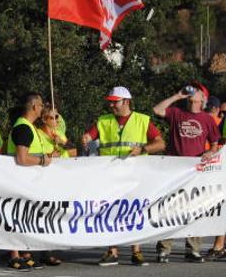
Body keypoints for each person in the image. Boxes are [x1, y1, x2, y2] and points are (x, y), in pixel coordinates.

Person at [81, 87, 165, 266]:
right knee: (110, 211)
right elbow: (90, 135)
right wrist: (87, 138)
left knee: (136, 210)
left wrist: (143, 149)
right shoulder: (103, 121)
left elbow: (160, 143)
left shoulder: (142, 120)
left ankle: (137, 251)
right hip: (110, 175)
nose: (111, 104)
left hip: (135, 175)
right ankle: (112, 251)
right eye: (110, 101)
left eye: (115, 101)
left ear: (126, 102)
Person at [153, 84, 220, 263]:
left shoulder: (207, 119)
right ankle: (164, 249)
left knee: (194, 209)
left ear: (202, 99)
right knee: (170, 209)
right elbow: (157, 110)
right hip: (174, 170)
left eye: (196, 92)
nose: (192, 93)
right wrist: (177, 95)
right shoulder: (177, 113)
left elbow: (215, 144)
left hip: (195, 172)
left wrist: (210, 152)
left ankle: (193, 249)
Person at [5, 93, 52, 271]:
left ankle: (24, 253)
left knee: (25, 217)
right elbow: (22, 158)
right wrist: (42, 161)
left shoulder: (29, 127)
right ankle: (14, 255)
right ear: (34, 107)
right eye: (40, 106)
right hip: (18, 179)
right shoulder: (23, 128)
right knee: (16, 216)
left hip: (27, 181)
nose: (42, 109)